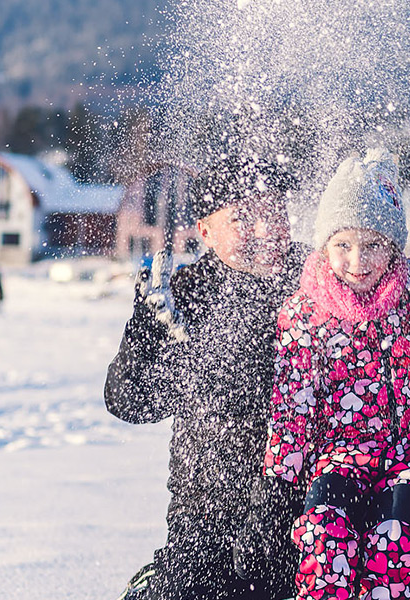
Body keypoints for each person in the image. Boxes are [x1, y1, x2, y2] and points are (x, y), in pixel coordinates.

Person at [104, 156, 308, 600]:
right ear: (205, 231)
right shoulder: (187, 293)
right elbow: (130, 402)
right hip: (205, 512)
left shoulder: (318, 282)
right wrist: (145, 329)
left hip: (302, 505)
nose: (261, 231)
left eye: (272, 212)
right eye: (241, 218)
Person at [255, 148, 410, 600]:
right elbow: (295, 404)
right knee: (325, 538)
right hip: (340, 455)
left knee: (395, 541)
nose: (357, 260)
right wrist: (279, 479)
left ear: (394, 246)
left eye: (373, 245)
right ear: (325, 246)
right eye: (343, 245)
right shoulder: (307, 311)